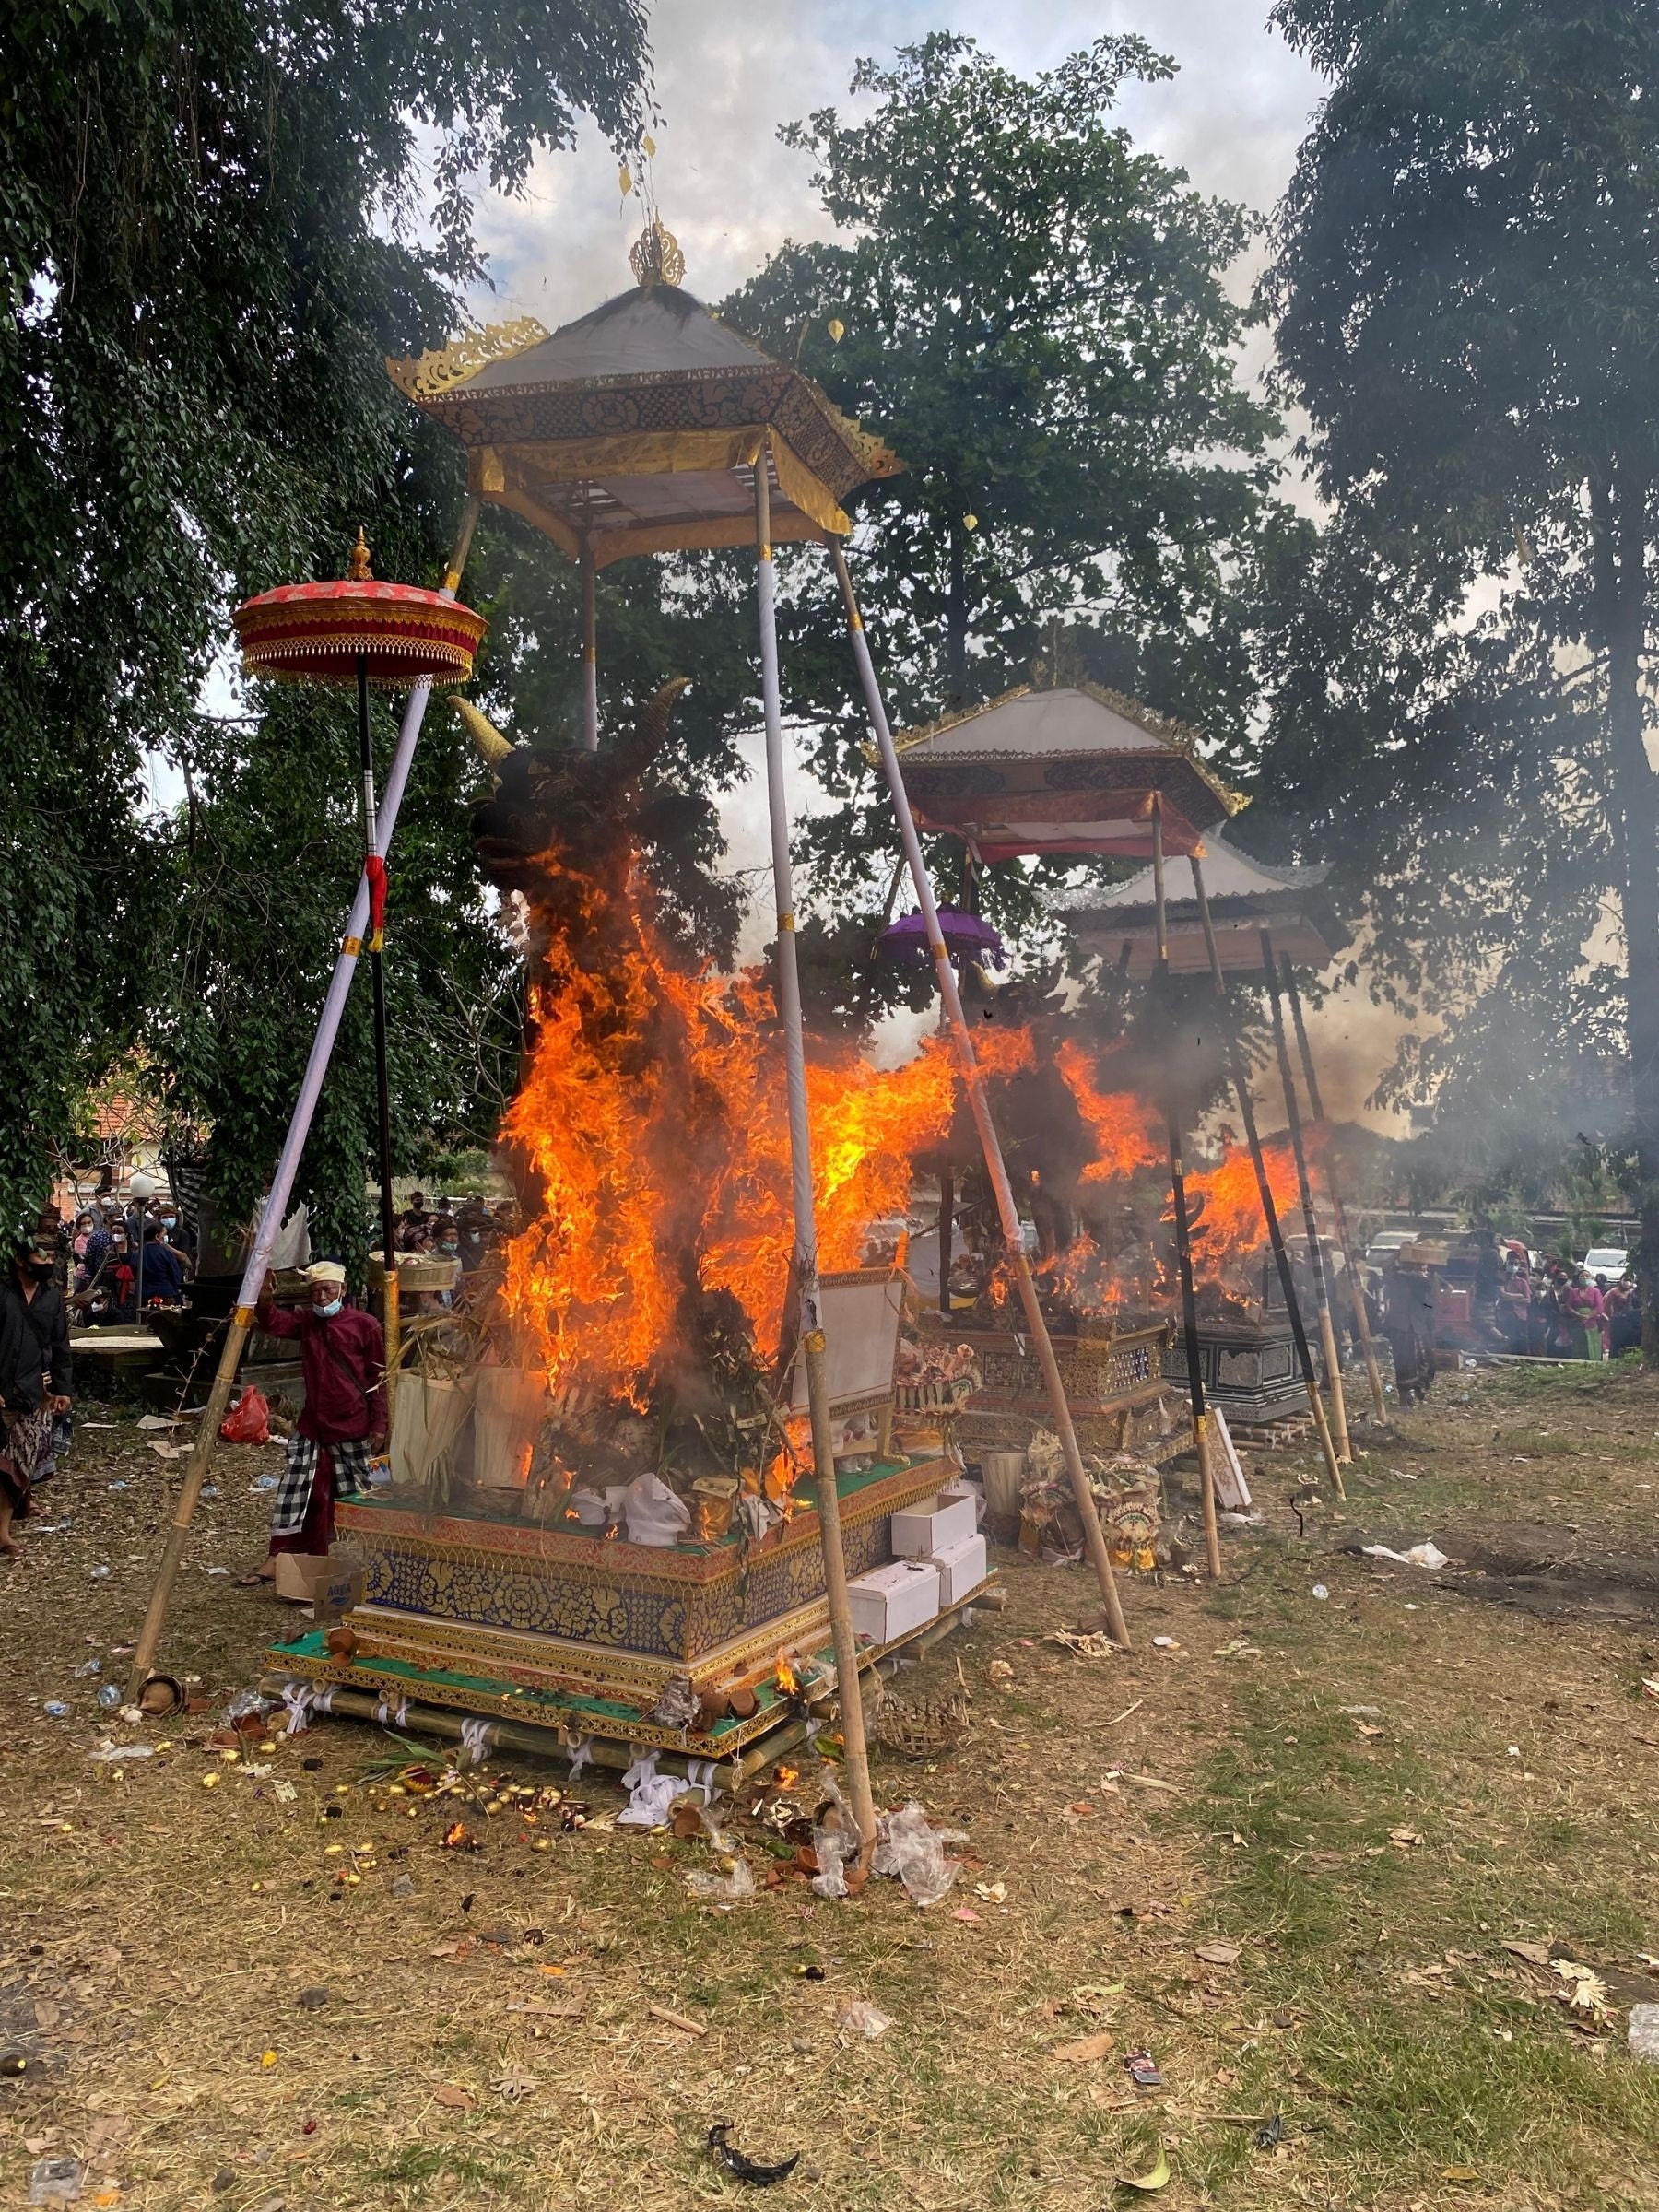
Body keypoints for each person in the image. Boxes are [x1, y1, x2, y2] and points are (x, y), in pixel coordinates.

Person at [239, 1261, 386, 1584]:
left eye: (328, 1290)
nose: (321, 1297)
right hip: (312, 1426)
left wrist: (380, 1423)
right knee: (298, 1490)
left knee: (356, 1496)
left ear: (343, 1291)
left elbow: (380, 1377)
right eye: (316, 1291)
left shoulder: (365, 1325)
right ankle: (279, 1557)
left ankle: (368, 1558)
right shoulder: (306, 1323)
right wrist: (265, 1296)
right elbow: (274, 1322)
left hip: (353, 1425)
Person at [0, 1232, 73, 1556]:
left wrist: (61, 1389)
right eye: (39, 1258)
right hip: (3, 1387)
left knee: (20, 1463)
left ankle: (4, 1530)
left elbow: (59, 1344)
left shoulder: (51, 1298)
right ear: (20, 1260)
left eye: (49, 1258)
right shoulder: (2, 1293)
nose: (45, 1264)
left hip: (32, 1389)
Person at [1382, 1249, 1439, 1407]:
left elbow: (1432, 1296)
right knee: (1403, 1364)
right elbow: (1385, 1267)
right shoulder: (1395, 1277)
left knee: (1428, 1362)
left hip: (1419, 1326)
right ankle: (1404, 1399)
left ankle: (1418, 1388)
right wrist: (1399, 1253)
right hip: (1400, 1325)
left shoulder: (1422, 1279)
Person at [137, 1220, 185, 1305]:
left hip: (143, 1294)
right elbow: (175, 1274)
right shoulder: (166, 1252)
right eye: (164, 1234)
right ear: (157, 1236)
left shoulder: (138, 1253)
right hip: (165, 1294)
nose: (166, 1237)